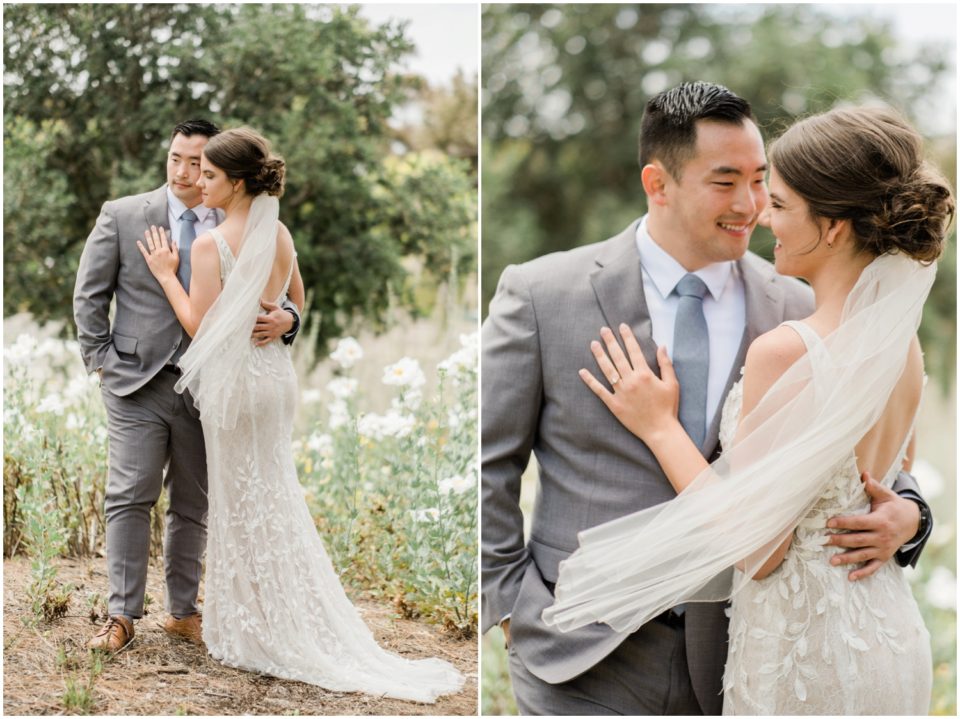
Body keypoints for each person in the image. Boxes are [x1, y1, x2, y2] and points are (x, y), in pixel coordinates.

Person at [481, 82, 934, 715]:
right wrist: (507, 608)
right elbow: (487, 463)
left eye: (763, 184)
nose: (752, 207)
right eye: (727, 182)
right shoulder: (540, 294)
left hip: (748, 655)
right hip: (580, 656)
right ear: (658, 183)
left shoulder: (806, 311)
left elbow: (877, 468)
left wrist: (911, 517)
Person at [136, 127, 464, 702]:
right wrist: (283, 319)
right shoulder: (278, 232)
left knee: (240, 501)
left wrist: (167, 275)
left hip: (237, 386)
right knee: (272, 493)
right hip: (274, 382)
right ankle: (275, 615)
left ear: (236, 183)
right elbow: (298, 301)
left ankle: (258, 627)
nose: (199, 183)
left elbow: (203, 328)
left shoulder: (209, 246)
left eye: (210, 175)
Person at [74, 119, 301, 653]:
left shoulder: (242, 220)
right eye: (175, 158)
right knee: (129, 495)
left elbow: (287, 291)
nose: (183, 172)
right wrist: (103, 360)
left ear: (221, 172)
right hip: (136, 383)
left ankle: (183, 612)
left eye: (197, 163)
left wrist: (287, 319)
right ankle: (121, 616)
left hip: (214, 390)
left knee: (194, 503)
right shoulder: (124, 214)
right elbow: (89, 295)